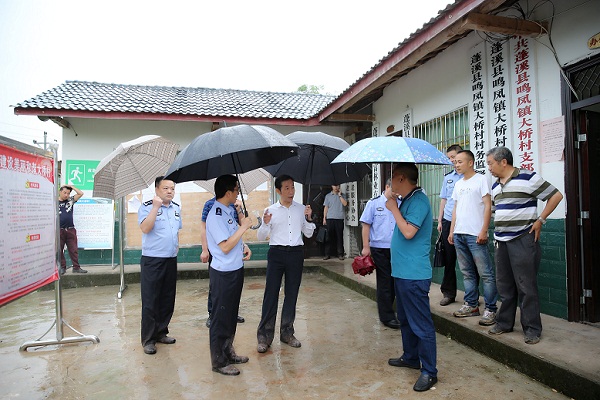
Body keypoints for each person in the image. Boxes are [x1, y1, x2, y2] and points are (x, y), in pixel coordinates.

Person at [486, 147, 563, 345]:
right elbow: (496, 212)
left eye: (491, 164)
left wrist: (540, 220)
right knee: (504, 286)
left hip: (522, 239)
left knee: (526, 286)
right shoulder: (495, 186)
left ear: (503, 162)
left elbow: (556, 196)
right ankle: (504, 323)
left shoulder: (528, 178)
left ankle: (532, 329)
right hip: (501, 241)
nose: (489, 168)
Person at [385, 163, 437, 392]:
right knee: (405, 319)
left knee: (421, 324)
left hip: (414, 273)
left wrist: (393, 208)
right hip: (402, 272)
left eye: (392, 178)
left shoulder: (419, 201)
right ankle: (411, 357)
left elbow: (408, 232)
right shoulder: (407, 200)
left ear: (401, 178)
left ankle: (429, 371)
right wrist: (394, 204)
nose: (390, 183)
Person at [256, 175, 316, 353]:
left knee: (292, 294)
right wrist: (265, 224)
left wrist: (309, 218)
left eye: (292, 187)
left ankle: (287, 332)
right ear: (278, 191)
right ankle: (264, 336)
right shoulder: (270, 210)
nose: (291, 191)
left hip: (296, 254)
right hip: (276, 254)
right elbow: (261, 237)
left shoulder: (301, 209)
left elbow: (309, 233)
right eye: (287, 188)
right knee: (271, 294)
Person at [205, 175, 253, 376]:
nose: (237, 193)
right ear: (228, 193)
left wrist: (243, 245)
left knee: (231, 315)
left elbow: (231, 237)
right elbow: (224, 246)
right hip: (223, 273)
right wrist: (244, 227)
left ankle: (228, 351)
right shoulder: (215, 215)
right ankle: (219, 361)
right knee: (221, 317)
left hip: (235, 268)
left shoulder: (228, 210)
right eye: (236, 190)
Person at [448, 150, 498, 326]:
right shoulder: (458, 184)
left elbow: (488, 206)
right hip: (459, 234)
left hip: (475, 234)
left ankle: (491, 309)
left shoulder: (481, 179)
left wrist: (484, 230)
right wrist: (452, 231)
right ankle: (471, 305)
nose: (456, 164)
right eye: (455, 162)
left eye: (459, 161)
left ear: (470, 163)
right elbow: (455, 208)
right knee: (467, 273)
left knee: (486, 274)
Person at [138, 176, 182, 355]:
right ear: (157, 189)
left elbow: (176, 231)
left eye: (172, 188)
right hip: (152, 260)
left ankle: (161, 332)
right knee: (151, 300)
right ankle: (148, 339)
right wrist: (155, 208)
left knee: (167, 298)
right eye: (166, 188)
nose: (170, 191)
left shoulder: (176, 208)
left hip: (170, 259)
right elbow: (145, 228)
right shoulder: (147, 206)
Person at [200, 196, 248, 328]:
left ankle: (231, 313)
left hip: (233, 254)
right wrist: (205, 249)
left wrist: (239, 209)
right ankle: (213, 314)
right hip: (218, 253)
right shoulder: (210, 205)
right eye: (235, 190)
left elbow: (236, 229)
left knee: (232, 289)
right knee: (216, 287)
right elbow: (204, 228)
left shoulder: (233, 206)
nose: (237, 194)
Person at [360, 178, 401, 329]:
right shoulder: (374, 203)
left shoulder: (401, 203)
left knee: (396, 281)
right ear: (386, 187)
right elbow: (366, 225)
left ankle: (392, 311)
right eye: (394, 190)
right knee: (385, 281)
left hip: (397, 248)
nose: (396, 193)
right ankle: (387, 317)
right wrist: (366, 247)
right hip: (379, 248)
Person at [436, 144, 462, 305]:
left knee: (470, 260)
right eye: (450, 158)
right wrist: (440, 220)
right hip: (447, 220)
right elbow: (443, 199)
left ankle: (472, 296)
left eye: (454, 157)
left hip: (465, 221)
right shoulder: (448, 177)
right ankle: (448, 293)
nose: (452, 160)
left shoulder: (471, 177)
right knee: (449, 258)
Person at [58, 185, 87, 274]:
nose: (66, 195)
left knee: (73, 249)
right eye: (64, 193)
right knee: (59, 249)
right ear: (60, 192)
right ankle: (62, 267)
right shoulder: (54, 202)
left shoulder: (70, 201)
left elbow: (80, 193)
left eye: (68, 193)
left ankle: (76, 267)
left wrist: (71, 186)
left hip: (70, 229)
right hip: (59, 230)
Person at [322, 184, 347, 260]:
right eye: (334, 186)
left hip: (339, 218)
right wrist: (324, 218)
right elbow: (326, 207)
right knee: (328, 237)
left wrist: (340, 196)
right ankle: (327, 254)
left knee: (339, 237)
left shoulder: (343, 195)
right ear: (332, 186)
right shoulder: (328, 196)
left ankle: (340, 254)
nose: (336, 187)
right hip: (330, 218)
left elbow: (345, 204)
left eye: (337, 186)